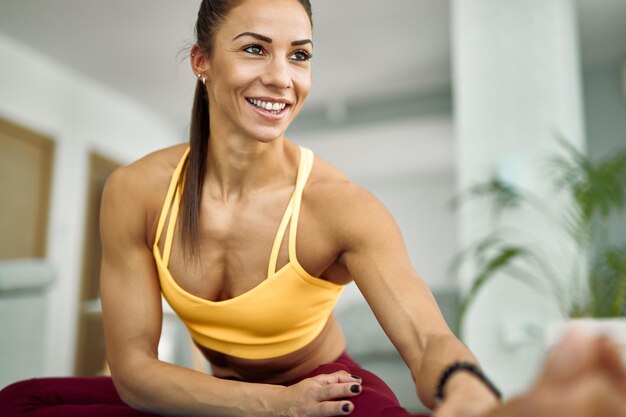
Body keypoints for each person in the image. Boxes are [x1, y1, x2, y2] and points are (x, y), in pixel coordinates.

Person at [1, 1, 625, 416]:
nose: (282, 77)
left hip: (330, 394)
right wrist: (273, 407)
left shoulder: (340, 207)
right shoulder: (136, 191)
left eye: (299, 55)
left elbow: (429, 336)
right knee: (21, 401)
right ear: (201, 61)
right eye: (254, 49)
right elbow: (135, 370)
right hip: (225, 395)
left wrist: (469, 389)